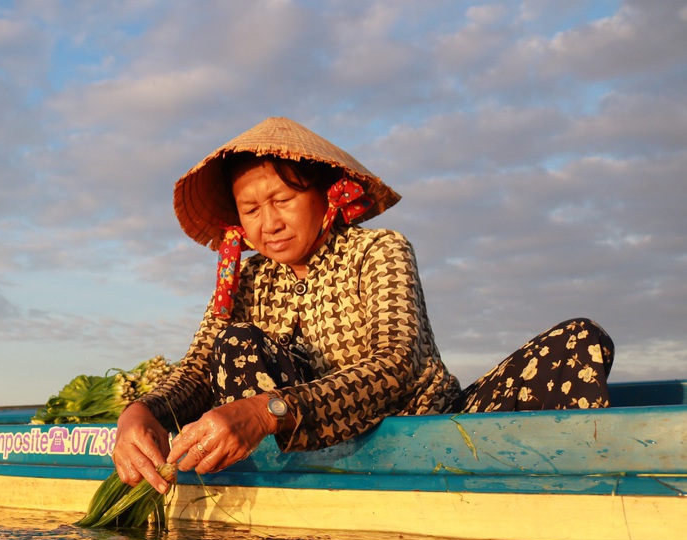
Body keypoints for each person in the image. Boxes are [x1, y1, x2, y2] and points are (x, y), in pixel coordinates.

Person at [112, 116, 614, 493]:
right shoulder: (244, 282)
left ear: (326, 197)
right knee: (234, 342)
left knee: (580, 341)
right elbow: (199, 368)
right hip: (305, 449)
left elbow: (395, 363)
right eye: (252, 210)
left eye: (284, 200)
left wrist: (269, 411)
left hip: (419, 427)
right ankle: (290, 483)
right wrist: (141, 411)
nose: (270, 223)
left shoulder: (379, 250)